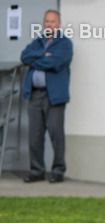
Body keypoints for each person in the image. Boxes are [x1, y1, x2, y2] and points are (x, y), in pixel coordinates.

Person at [20, 9, 73, 183]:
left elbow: (56, 62)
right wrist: (43, 54)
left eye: (53, 21)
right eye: (47, 21)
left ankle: (58, 171)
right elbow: (24, 56)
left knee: (56, 135)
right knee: (34, 135)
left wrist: (34, 63)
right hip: (35, 95)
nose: (49, 24)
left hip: (54, 96)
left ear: (59, 24)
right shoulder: (37, 42)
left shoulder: (65, 44)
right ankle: (37, 171)